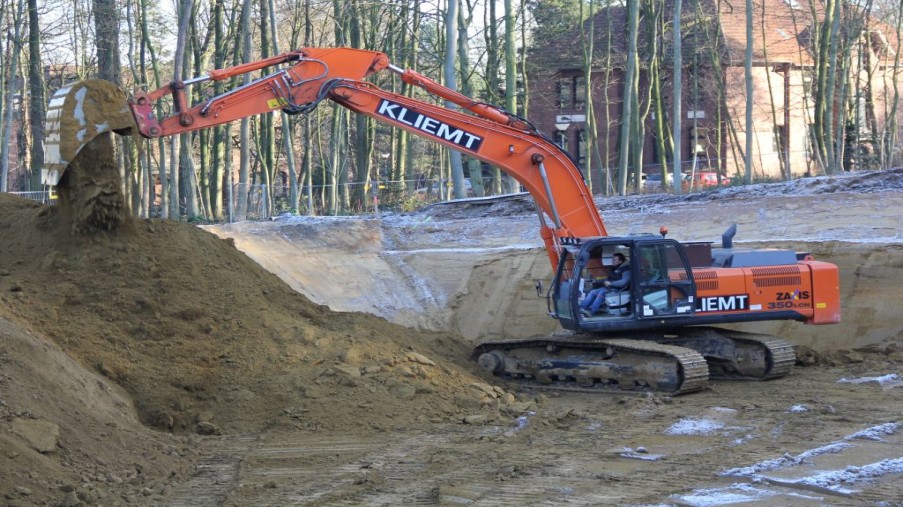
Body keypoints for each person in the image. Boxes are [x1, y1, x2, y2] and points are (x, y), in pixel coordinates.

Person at [580, 252, 630, 317]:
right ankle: (581, 308)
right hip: (610, 287)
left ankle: (591, 311)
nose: (612, 261)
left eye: (614, 260)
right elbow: (608, 279)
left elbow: (623, 282)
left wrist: (611, 283)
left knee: (602, 292)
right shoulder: (614, 268)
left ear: (620, 261)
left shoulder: (626, 270)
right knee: (593, 292)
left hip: (619, 289)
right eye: (612, 259)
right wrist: (597, 282)